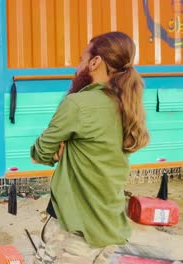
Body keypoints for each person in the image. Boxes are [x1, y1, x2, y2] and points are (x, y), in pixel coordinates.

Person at [30, 32, 149, 263]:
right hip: (110, 228)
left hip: (75, 235)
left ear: (95, 62)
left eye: (81, 59)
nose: (77, 67)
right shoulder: (125, 104)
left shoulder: (78, 103)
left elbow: (39, 153)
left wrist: (62, 148)